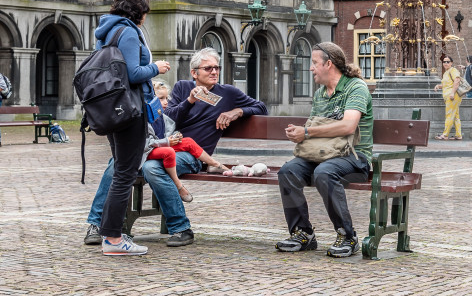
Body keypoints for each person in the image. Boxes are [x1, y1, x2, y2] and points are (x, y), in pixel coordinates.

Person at [82, 46, 265, 248]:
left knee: (153, 168)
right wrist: (190, 101)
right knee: (116, 163)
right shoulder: (182, 88)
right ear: (194, 73)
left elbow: (261, 107)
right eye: (208, 68)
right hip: (163, 144)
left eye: (217, 68)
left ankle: (181, 228)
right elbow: (168, 120)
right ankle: (96, 225)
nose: (214, 72)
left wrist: (237, 111)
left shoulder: (228, 93)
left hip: (193, 154)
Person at [91, 0, 170, 256]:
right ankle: (113, 238)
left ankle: (109, 233)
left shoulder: (106, 32)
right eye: (145, 11)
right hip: (130, 109)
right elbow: (133, 73)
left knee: (121, 171)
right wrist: (156, 68)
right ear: (139, 12)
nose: (146, 17)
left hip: (113, 109)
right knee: (125, 173)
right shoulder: (127, 32)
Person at [277, 42, 373, 258]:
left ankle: (347, 236)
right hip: (324, 155)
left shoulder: (355, 87)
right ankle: (303, 233)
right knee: (287, 172)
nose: (311, 68)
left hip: (355, 158)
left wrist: (307, 133)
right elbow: (316, 128)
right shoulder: (321, 93)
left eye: (314, 63)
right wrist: (299, 133)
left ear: (328, 64)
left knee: (325, 172)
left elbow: (349, 126)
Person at [432, 55, 463, 140]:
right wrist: (439, 86)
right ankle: (458, 135)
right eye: (444, 62)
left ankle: (445, 135)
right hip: (449, 96)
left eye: (448, 62)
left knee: (449, 115)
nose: (445, 63)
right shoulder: (446, 72)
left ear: (451, 63)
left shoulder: (453, 70)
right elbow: (447, 85)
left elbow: (457, 81)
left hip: (452, 96)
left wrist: (452, 93)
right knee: (456, 116)